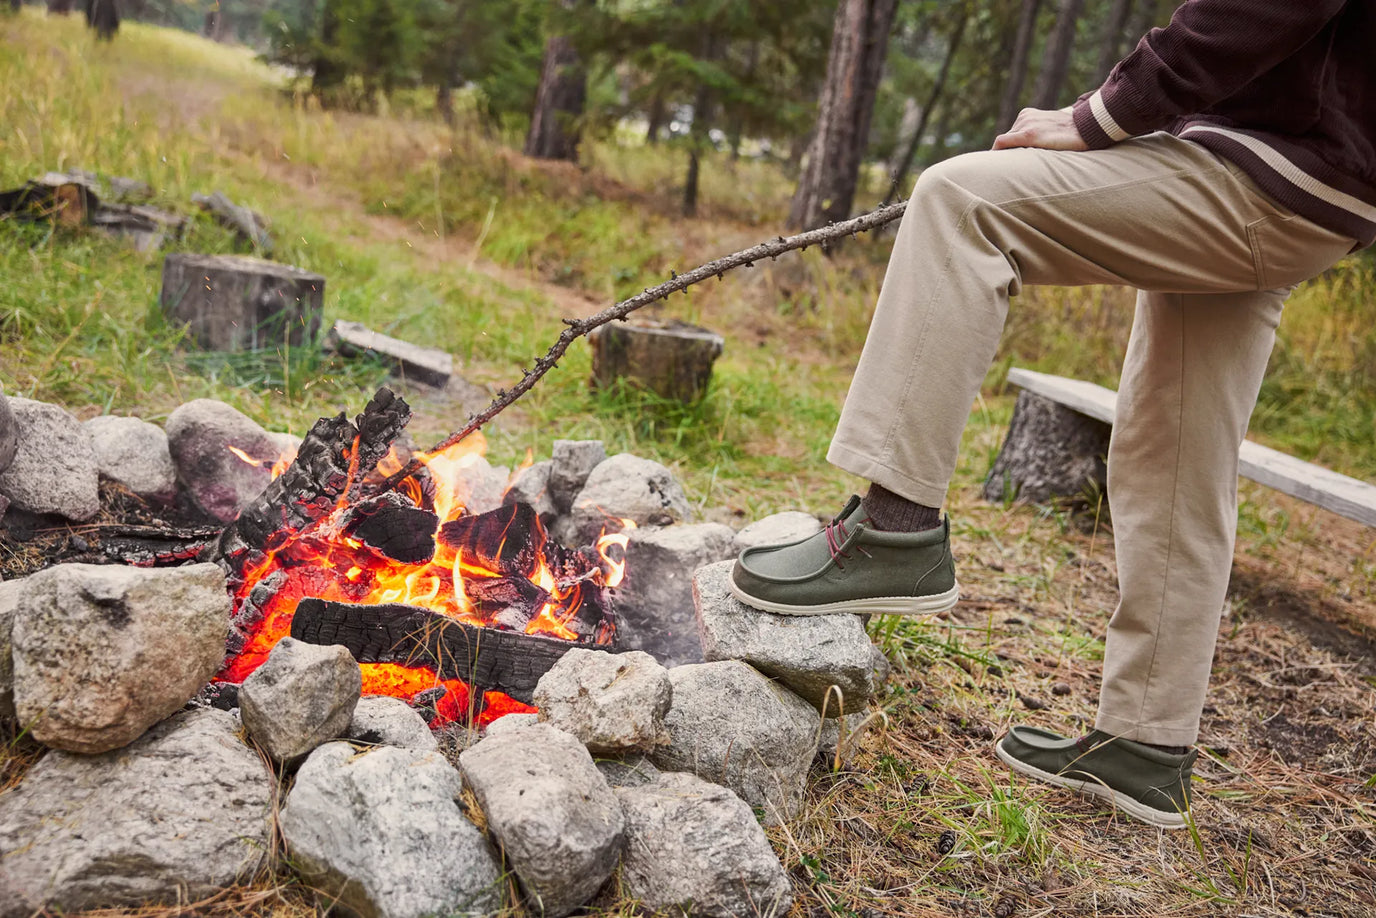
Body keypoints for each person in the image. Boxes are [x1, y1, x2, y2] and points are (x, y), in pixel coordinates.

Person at [729, 0, 1375, 829]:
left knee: (961, 200)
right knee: (1174, 451)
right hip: (1316, 183)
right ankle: (1146, 743)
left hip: (1273, 172)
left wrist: (1101, 116)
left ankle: (895, 528)